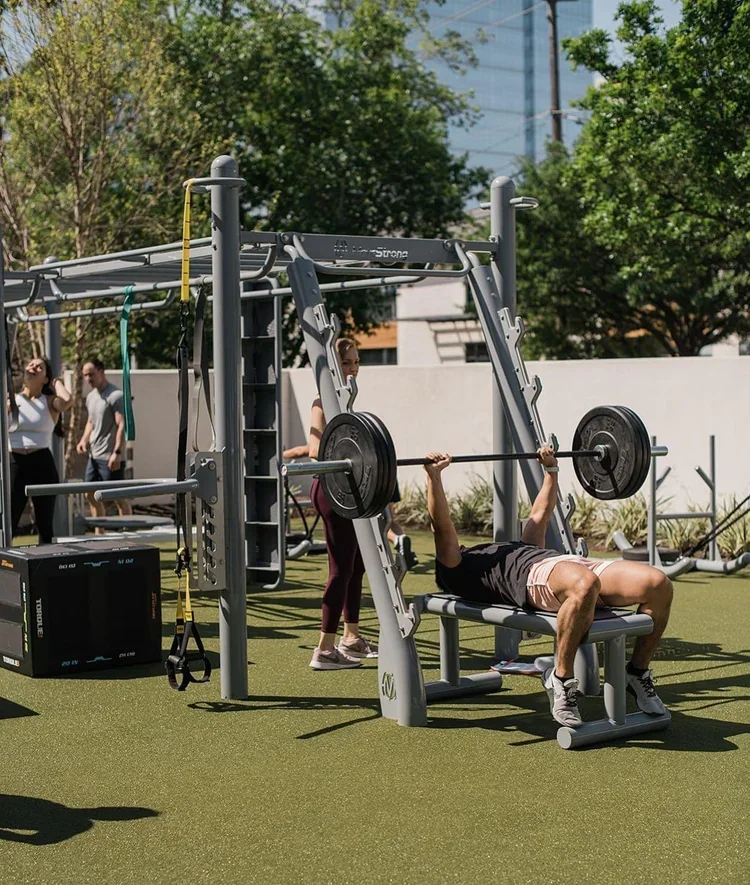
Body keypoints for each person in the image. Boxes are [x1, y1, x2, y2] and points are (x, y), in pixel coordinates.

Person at [423, 447, 673, 729]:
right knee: (584, 583)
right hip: (535, 579)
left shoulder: (511, 548)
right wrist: (434, 477)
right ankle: (562, 679)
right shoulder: (456, 568)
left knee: (658, 583)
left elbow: (540, 514)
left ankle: (637, 673)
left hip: (564, 564)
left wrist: (551, 470)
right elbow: (441, 526)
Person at [307, 339, 378, 670]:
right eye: (347, 363)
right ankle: (324, 649)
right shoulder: (323, 403)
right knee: (341, 570)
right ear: (335, 367)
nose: (354, 368)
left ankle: (351, 638)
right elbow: (313, 449)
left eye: (356, 362)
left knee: (358, 565)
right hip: (332, 492)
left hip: (350, 492)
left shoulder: (349, 404)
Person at [8, 356, 72, 543]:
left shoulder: (50, 401)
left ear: (45, 378)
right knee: (9, 519)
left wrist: (56, 382)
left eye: (40, 367)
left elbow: (67, 401)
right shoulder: (10, 399)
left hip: (41, 462)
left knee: (44, 524)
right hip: (15, 462)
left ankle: (44, 568)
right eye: (31, 364)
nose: (33, 367)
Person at [76, 359, 131, 529]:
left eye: (91, 374)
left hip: (110, 456)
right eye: (85, 375)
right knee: (90, 495)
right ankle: (100, 534)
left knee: (118, 497)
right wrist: (84, 440)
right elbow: (91, 422)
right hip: (94, 456)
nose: (88, 379)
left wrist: (117, 452)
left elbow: (122, 424)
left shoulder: (116, 396)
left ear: (101, 371)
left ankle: (127, 534)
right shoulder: (91, 397)